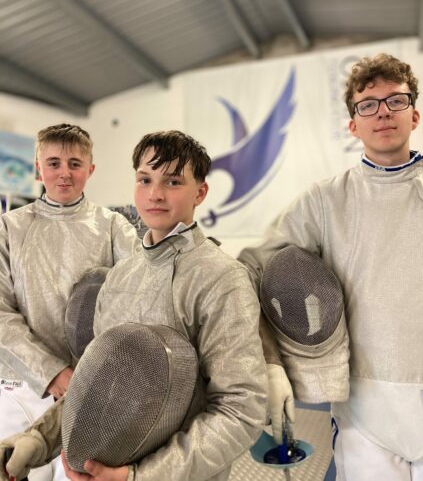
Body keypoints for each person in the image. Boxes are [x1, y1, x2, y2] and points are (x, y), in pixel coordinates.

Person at [0, 130, 267, 481]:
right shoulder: (121, 276)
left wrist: (138, 476)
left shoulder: (221, 278)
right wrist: (40, 439)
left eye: (173, 181)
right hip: (105, 464)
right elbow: (95, 383)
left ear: (200, 192)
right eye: (145, 179)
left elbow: (240, 411)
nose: (155, 194)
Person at [238, 53, 423, 480]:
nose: (383, 113)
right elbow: (251, 268)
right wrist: (269, 363)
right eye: (368, 104)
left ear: (413, 114)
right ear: (353, 124)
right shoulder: (325, 202)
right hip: (365, 402)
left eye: (396, 101)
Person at [0, 123, 140, 480]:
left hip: (90, 390)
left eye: (75, 163)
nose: (64, 173)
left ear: (90, 170)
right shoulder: (9, 228)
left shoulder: (114, 227)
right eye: (54, 163)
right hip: (19, 387)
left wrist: (91, 376)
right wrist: (51, 372)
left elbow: (138, 298)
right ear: (37, 168)